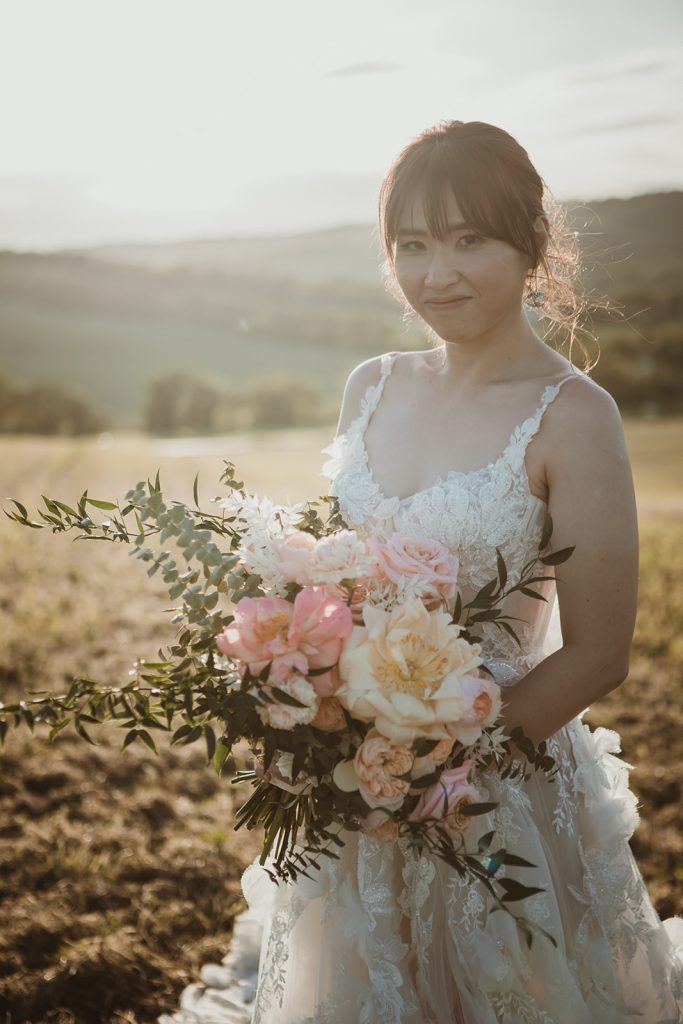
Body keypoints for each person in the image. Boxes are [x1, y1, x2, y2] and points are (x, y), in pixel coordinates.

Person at [160, 120, 683, 1023]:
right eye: (411, 244)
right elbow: (338, 575)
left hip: (493, 791)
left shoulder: (575, 415)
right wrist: (309, 696)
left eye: (467, 238)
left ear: (531, 243)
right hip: (349, 792)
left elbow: (598, 655)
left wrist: (434, 772)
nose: (436, 272)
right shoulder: (372, 384)